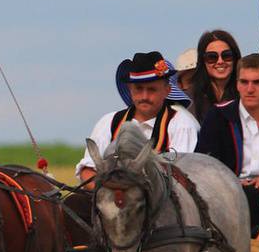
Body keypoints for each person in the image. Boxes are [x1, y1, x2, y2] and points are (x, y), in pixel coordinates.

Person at [194, 54, 259, 234]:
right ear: (236, 84)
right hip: (224, 200)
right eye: (244, 82)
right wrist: (232, 182)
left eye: (258, 82)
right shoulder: (218, 117)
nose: (249, 89)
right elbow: (203, 164)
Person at [76, 51, 199, 185]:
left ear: (167, 90)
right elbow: (87, 169)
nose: (144, 96)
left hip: (162, 204)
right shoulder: (109, 122)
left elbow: (179, 177)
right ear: (130, 89)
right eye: (139, 89)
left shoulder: (181, 124)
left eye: (152, 89)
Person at [187, 0, 259, 120]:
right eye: (212, 57)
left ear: (235, 57)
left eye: (226, 56)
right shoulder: (192, 96)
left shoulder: (246, 85)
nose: (220, 62)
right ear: (203, 61)